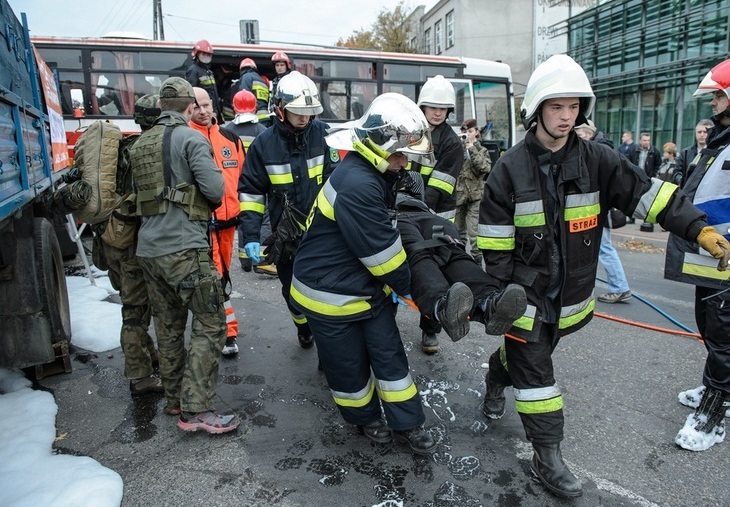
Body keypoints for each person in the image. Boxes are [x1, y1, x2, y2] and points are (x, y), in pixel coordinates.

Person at [477, 54, 729, 498]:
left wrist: (699, 230)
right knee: (537, 376)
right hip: (524, 294)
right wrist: (503, 296)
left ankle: (495, 378)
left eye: (574, 107)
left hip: (567, 295)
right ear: (537, 109)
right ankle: (547, 456)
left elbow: (652, 198)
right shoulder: (509, 168)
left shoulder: (599, 160)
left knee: (527, 358)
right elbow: (494, 243)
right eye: (557, 107)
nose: (566, 116)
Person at [290, 93, 437, 455]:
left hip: (365, 287)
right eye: (400, 155)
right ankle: (365, 418)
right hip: (330, 295)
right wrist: (420, 294)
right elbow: (385, 259)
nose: (405, 163)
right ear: (379, 147)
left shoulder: (371, 171)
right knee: (348, 368)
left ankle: (409, 423)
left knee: (390, 357)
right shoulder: (359, 183)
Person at [131, 77, 239, 434]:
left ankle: (175, 398)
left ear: (161, 105)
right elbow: (215, 190)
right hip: (185, 248)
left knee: (168, 327)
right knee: (212, 323)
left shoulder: (140, 143)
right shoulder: (191, 138)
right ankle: (196, 409)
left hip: (149, 250)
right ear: (190, 106)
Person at [238, 71, 339, 350]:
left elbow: (338, 180)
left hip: (322, 231)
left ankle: (327, 348)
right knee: (291, 292)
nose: (305, 118)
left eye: (309, 112)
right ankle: (303, 328)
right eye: (298, 112)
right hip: (286, 236)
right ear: (280, 108)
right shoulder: (263, 144)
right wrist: (251, 236)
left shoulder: (325, 135)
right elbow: (251, 193)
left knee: (326, 292)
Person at [666, 59, 730, 452]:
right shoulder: (718, 142)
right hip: (708, 253)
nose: (713, 104)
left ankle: (713, 416)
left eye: (719, 96)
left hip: (726, 258)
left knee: (724, 337)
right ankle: (716, 388)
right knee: (710, 327)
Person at [395, 170, 526, 343]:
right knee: (454, 254)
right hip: (433, 218)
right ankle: (490, 301)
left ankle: (442, 305)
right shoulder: (415, 182)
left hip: (400, 217)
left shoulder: (383, 183)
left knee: (419, 256)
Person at [95, 93, 162, 395]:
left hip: (112, 238)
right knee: (135, 311)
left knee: (133, 303)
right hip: (131, 243)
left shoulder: (125, 147)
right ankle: (140, 376)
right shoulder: (147, 152)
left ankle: (149, 356)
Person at [189, 87, 245, 357]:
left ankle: (220, 328)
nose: (202, 111)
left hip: (229, 223)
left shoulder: (230, 138)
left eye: (206, 105)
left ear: (213, 104)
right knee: (215, 278)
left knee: (222, 275)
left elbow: (243, 179)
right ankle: (226, 332)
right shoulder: (186, 138)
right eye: (196, 106)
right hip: (202, 225)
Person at [411, 75, 465, 354]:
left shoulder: (452, 143)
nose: (437, 112)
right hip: (407, 207)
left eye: (443, 108)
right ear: (422, 106)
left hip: (437, 214)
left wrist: (414, 208)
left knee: (435, 268)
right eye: (433, 107)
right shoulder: (410, 130)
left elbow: (440, 187)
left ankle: (430, 328)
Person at [575, 121, 633, 304]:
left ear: (587, 134)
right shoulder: (601, 148)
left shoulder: (597, 151)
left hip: (598, 207)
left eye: (578, 135)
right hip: (596, 206)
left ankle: (619, 287)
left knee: (604, 248)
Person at [222, 90, 276, 276]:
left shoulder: (227, 131)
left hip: (235, 183)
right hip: (257, 183)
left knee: (243, 217)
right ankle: (261, 259)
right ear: (255, 107)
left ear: (234, 107)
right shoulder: (262, 131)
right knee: (264, 218)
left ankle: (245, 259)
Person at [454, 118, 491, 268]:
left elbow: (484, 168)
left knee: (474, 232)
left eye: (470, 131)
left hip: (476, 196)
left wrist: (472, 149)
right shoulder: (457, 149)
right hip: (459, 195)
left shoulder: (482, 150)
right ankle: (460, 262)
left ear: (476, 132)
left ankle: (478, 262)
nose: (467, 134)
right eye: (465, 132)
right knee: (457, 231)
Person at [628, 132, 662, 232]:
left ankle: (647, 220)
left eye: (648, 140)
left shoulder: (654, 151)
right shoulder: (634, 151)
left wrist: (654, 174)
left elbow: (658, 164)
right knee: (633, 198)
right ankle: (631, 217)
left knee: (648, 200)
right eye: (644, 140)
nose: (646, 142)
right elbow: (628, 162)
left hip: (648, 178)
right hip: (635, 178)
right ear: (640, 141)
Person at [185, 39, 222, 123]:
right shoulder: (193, 70)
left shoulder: (209, 72)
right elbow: (191, 93)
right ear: (197, 54)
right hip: (202, 113)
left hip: (211, 112)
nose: (206, 56)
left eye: (208, 54)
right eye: (203, 54)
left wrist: (216, 111)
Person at [675, 119, 713, 187]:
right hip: (688, 189)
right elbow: (676, 172)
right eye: (699, 132)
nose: (702, 135)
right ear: (695, 133)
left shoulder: (716, 152)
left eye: (705, 132)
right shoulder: (685, 153)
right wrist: (681, 181)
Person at [237, 58, 270, 126]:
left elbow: (243, 97)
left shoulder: (246, 77)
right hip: (265, 116)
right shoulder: (262, 81)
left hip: (254, 118)